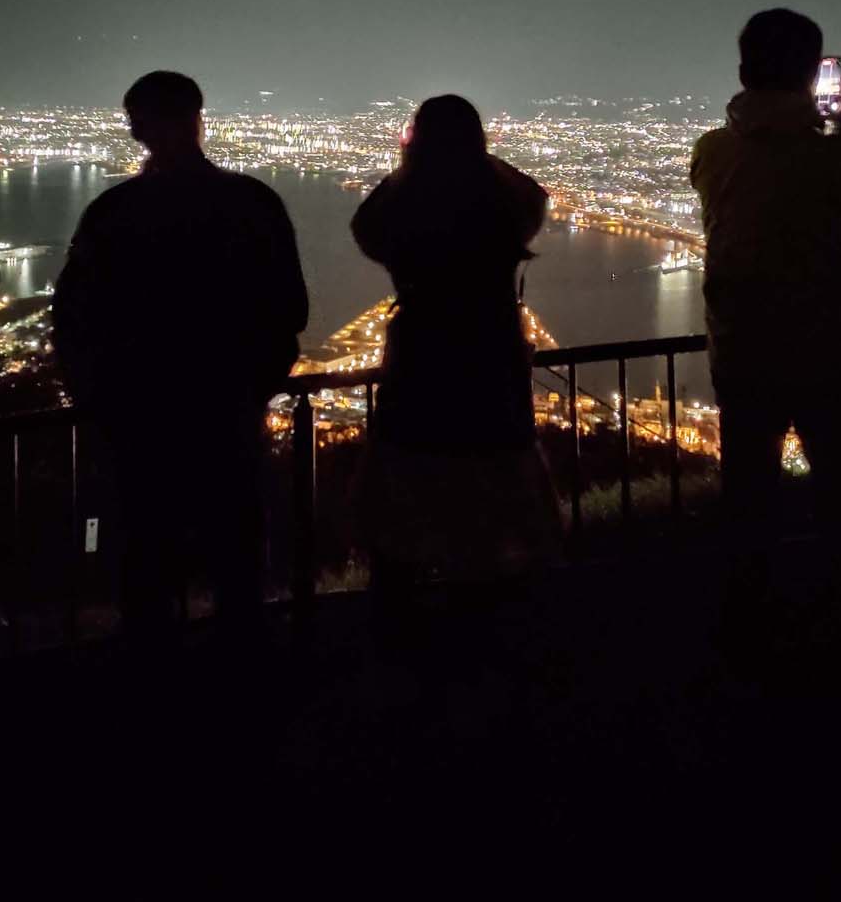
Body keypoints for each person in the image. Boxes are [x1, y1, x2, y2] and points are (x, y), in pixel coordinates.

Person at [53, 71, 308, 652]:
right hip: (229, 411)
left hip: (138, 418)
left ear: (140, 127)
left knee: (146, 556)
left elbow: (73, 315)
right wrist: (254, 386)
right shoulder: (253, 203)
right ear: (198, 118)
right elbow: (288, 310)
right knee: (236, 552)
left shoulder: (114, 212)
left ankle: (153, 675)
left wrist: (98, 396)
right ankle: (246, 667)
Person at [691, 10, 841, 646]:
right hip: (825, 348)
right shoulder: (829, 153)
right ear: (812, 74)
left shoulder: (712, 150)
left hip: (741, 348)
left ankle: (747, 622)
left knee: (749, 494)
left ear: (742, 71)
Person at [350, 95, 561, 610]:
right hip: (493, 362)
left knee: (403, 511)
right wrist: (477, 156)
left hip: (420, 360)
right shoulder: (505, 209)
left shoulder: (403, 212)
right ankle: (493, 624)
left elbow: (366, 226)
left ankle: (399, 624)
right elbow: (534, 197)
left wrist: (413, 164)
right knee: (491, 519)